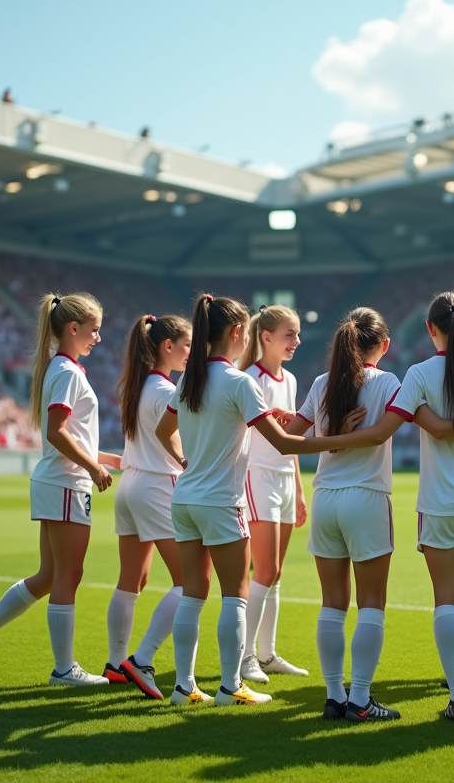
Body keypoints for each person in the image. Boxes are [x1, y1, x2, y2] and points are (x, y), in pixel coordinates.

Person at [153, 294, 388, 707]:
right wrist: (337, 437)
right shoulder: (240, 382)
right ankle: (230, 686)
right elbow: (283, 444)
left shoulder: (190, 378)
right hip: (222, 501)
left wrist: (186, 459)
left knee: (192, 592)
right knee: (236, 594)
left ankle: (183, 686)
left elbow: (162, 431)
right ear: (240, 333)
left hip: (185, 496)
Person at [309, 293, 454, 724]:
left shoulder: (418, 374)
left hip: (438, 503)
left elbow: (434, 430)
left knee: (447, 601)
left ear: (431, 329)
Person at [0, 292, 120, 686]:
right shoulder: (66, 371)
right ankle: (64, 669)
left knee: (49, 576)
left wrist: (108, 459)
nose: (98, 337)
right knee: (68, 575)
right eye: (94, 330)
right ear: (73, 328)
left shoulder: (63, 369)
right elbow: (56, 431)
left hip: (58, 481)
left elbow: (68, 434)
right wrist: (93, 465)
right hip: (65, 484)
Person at [284, 307, 401, 722]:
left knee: (332, 604)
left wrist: (331, 438)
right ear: (383, 345)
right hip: (366, 498)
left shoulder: (321, 382)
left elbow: (288, 441)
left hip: (325, 500)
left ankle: (335, 695)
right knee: (372, 604)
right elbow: (382, 432)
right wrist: (343, 437)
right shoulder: (388, 381)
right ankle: (361, 699)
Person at [104, 314, 192, 699]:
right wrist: (188, 463)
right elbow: (174, 440)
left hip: (131, 484)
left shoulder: (138, 386)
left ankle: (115, 663)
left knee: (132, 580)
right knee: (189, 582)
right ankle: (140, 661)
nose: (191, 352)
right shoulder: (164, 390)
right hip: (157, 484)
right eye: (186, 345)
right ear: (166, 346)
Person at [238, 305, 308, 684]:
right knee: (264, 569)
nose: (297, 341)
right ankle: (245, 656)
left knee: (275, 573)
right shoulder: (249, 378)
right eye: (289, 334)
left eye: (296, 334)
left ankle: (266, 654)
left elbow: (291, 442)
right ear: (265, 337)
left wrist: (298, 490)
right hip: (256, 477)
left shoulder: (291, 379)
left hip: (283, 479)